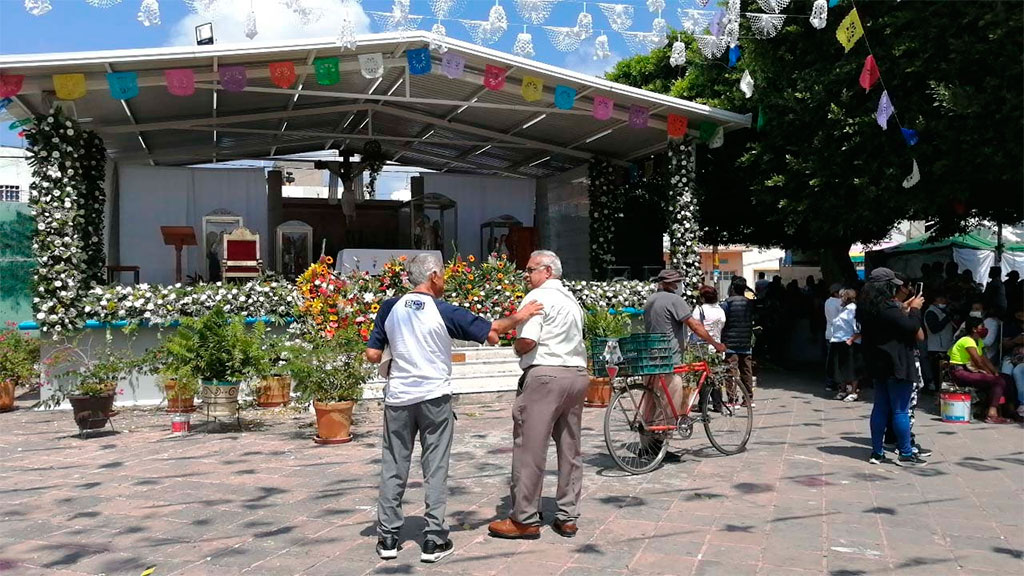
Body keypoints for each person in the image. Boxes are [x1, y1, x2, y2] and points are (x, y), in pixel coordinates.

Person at [365, 254, 543, 562]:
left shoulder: (389, 308)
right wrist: (522, 315)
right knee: (435, 468)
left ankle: (389, 538)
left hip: (399, 399)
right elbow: (491, 330)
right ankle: (434, 539)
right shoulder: (444, 310)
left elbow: (371, 354)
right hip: (434, 397)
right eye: (443, 275)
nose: (445, 280)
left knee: (394, 465)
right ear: (433, 276)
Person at [488, 250, 589, 541]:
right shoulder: (572, 300)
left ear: (546, 271)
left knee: (530, 448)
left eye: (531, 269)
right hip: (576, 374)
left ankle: (525, 518)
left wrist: (516, 346)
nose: (526, 275)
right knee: (570, 448)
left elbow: (528, 339)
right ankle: (568, 516)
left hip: (546, 374)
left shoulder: (538, 298)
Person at [857, 267, 928, 467]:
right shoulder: (887, 308)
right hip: (896, 363)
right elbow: (911, 328)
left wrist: (903, 308)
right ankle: (905, 452)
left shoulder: (866, 307)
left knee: (880, 407)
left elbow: (890, 322)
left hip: (877, 363)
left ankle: (877, 452)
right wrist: (914, 308)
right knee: (900, 410)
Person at [948, 317, 1017, 424]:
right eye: (982, 327)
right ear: (974, 329)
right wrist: (991, 375)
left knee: (1007, 378)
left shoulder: (978, 341)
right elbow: (978, 361)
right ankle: (991, 414)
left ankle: (1010, 410)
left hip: (970, 370)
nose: (985, 329)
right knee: (998, 381)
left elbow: (985, 359)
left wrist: (995, 372)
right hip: (960, 372)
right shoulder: (967, 340)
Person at [722, 278, 755, 406]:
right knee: (747, 370)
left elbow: (723, 320)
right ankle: (748, 398)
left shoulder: (727, 303)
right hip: (746, 340)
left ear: (733, 288)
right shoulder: (749, 303)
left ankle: (732, 399)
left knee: (731, 371)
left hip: (730, 342)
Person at [829, 289, 862, 402]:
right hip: (838, 340)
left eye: (842, 297)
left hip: (848, 341)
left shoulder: (852, 310)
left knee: (851, 368)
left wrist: (851, 340)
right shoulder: (843, 309)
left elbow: (858, 328)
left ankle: (853, 391)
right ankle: (842, 390)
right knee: (841, 367)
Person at [923, 291, 954, 392]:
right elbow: (934, 328)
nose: (944, 302)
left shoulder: (943, 312)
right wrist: (947, 319)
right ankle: (937, 393)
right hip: (936, 348)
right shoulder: (931, 312)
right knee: (938, 375)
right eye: (940, 300)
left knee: (944, 375)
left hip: (946, 346)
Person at [999, 306, 1024, 417]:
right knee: (1005, 374)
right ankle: (1007, 405)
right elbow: (1004, 345)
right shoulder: (1010, 327)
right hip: (1010, 356)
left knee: (1018, 372)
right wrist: (1015, 341)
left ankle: (1022, 404)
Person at [823, 284, 844, 391]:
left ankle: (829, 382)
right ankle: (838, 381)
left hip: (829, 332)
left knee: (830, 358)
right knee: (838, 359)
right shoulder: (839, 302)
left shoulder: (827, 301)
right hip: (838, 333)